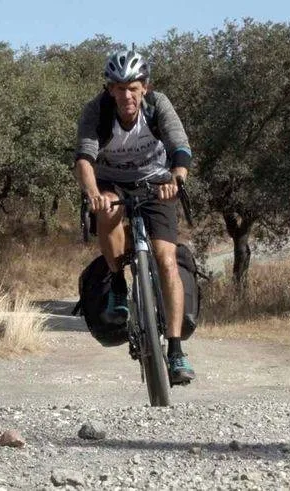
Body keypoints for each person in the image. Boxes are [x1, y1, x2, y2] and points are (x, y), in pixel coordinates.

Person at [73, 49, 195, 385]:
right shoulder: (97, 111)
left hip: (156, 183)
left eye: (133, 88)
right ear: (110, 89)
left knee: (166, 259)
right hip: (111, 183)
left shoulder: (158, 105)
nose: (126, 95)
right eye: (119, 88)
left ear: (144, 88)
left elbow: (180, 147)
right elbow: (84, 158)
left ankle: (175, 349)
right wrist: (92, 193)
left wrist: (177, 178)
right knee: (108, 209)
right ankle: (116, 281)